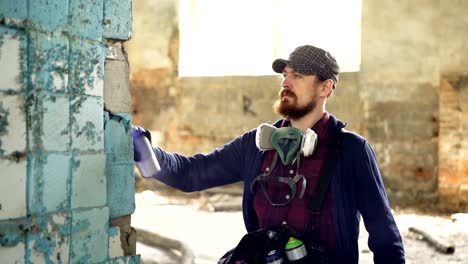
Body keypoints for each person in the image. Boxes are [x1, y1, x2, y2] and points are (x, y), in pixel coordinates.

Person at [134, 45, 405, 263]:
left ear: (325, 88)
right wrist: (144, 151)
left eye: (297, 75)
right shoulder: (255, 145)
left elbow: (384, 236)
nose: (286, 82)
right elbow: (191, 173)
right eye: (284, 74)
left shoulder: (351, 151)